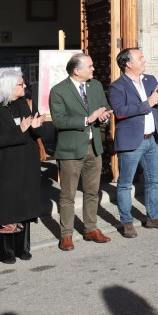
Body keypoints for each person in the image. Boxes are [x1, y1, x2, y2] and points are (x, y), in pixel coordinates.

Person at [49, 53, 113, 250]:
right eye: (90, 66)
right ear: (76, 71)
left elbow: (105, 109)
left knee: (92, 191)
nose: (93, 69)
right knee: (68, 195)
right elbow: (59, 121)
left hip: (94, 147)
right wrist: (88, 119)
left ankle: (90, 229)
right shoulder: (58, 91)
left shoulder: (95, 85)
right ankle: (66, 234)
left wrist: (104, 117)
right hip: (70, 150)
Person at [110, 47, 158, 238]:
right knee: (125, 184)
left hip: (150, 140)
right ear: (128, 64)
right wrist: (148, 103)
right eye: (140, 58)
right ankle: (127, 222)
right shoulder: (117, 86)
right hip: (131, 142)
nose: (144, 60)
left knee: (154, 180)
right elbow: (120, 111)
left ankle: (153, 217)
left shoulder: (150, 80)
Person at [0, 70, 43, 263]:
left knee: (24, 205)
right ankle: (5, 252)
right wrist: (20, 129)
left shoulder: (26, 105)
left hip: (26, 165)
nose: (24, 86)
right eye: (20, 84)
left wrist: (37, 127)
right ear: (7, 87)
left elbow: (37, 133)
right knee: (6, 208)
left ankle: (23, 248)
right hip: (4, 168)